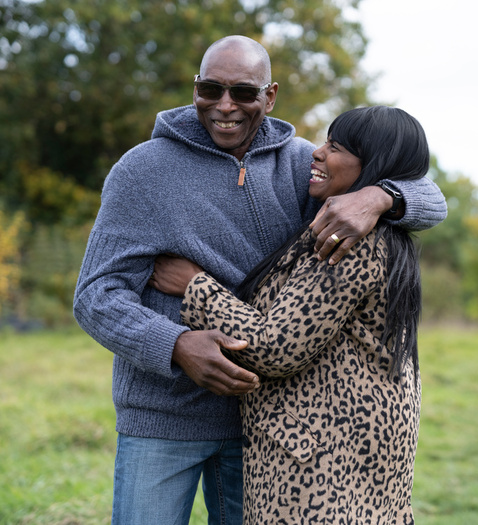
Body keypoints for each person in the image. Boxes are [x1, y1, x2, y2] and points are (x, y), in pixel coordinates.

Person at [73, 35, 447, 525]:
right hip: (162, 417)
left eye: (243, 93)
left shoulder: (303, 166)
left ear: (269, 96)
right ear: (195, 89)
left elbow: (431, 197)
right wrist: (176, 344)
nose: (225, 106)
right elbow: (95, 295)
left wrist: (379, 198)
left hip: (265, 428)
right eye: (211, 89)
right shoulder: (141, 172)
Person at [150, 105, 428, 524]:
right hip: (347, 446)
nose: (317, 153)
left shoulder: (352, 244)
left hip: (322, 459)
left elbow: (275, 346)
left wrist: (194, 285)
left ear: (373, 166)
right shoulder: (371, 232)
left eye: (335, 147)